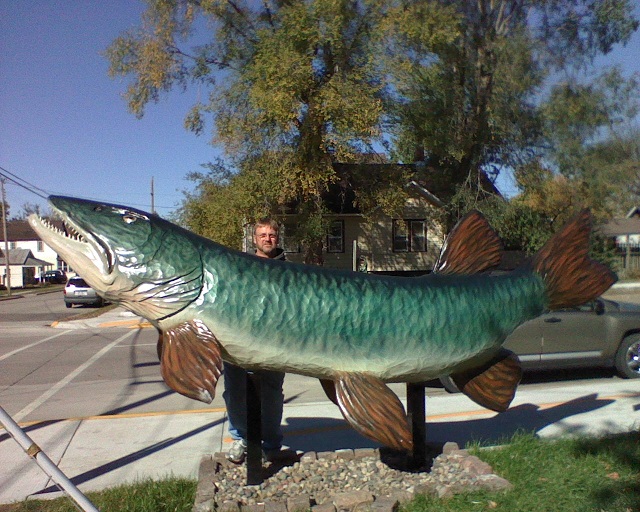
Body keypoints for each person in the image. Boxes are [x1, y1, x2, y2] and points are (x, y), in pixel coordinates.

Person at [223, 218, 286, 463]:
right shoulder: (240, 266)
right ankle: (241, 438)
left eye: (272, 235)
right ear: (254, 239)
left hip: (274, 344)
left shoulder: (289, 270)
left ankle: (270, 444)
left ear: (277, 238)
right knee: (236, 393)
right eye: (263, 235)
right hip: (238, 342)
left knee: (271, 396)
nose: (267, 239)